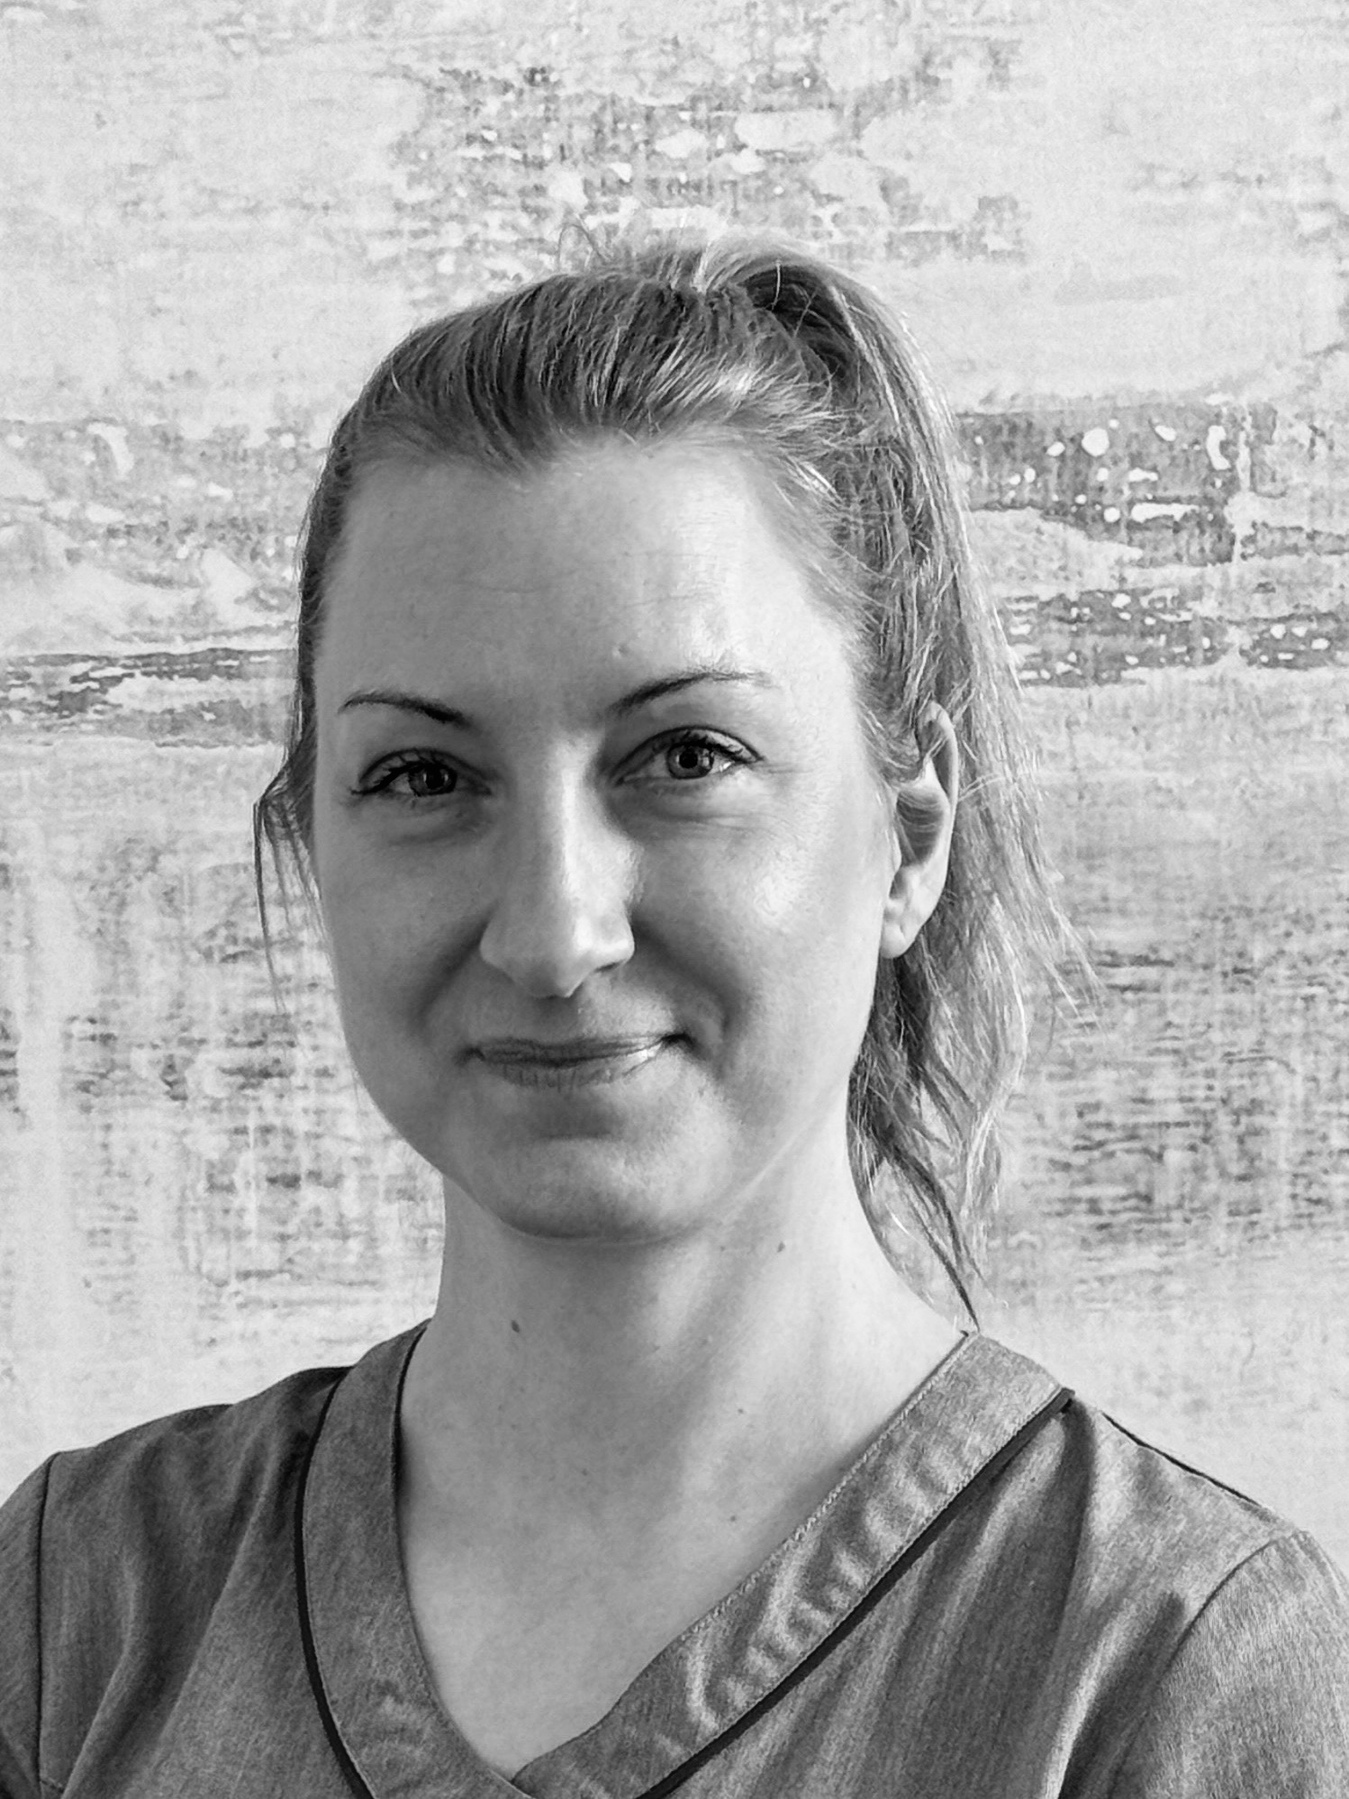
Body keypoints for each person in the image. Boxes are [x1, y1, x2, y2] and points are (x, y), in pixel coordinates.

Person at [2, 234, 1347, 1798]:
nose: (552, 931)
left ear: (909, 835)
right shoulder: (78, 1606)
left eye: (687, 757)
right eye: (425, 776)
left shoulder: (1166, 1661)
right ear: (314, 843)